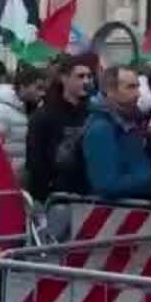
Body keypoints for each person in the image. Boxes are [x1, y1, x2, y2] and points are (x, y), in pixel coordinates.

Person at [81, 65, 151, 202]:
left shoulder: (128, 120)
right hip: (121, 208)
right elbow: (107, 184)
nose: (138, 94)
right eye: (130, 87)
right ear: (110, 91)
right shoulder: (101, 129)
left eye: (138, 87)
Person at [26, 55, 94, 200]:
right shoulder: (44, 115)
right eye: (80, 76)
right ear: (64, 78)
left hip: (87, 193)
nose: (86, 81)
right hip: (54, 196)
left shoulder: (92, 113)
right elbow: (35, 161)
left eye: (89, 76)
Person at [0, 66, 44, 181]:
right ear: (23, 87)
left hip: (23, 179)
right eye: (38, 88)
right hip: (5, 179)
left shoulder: (33, 110)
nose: (42, 93)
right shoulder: (0, 111)